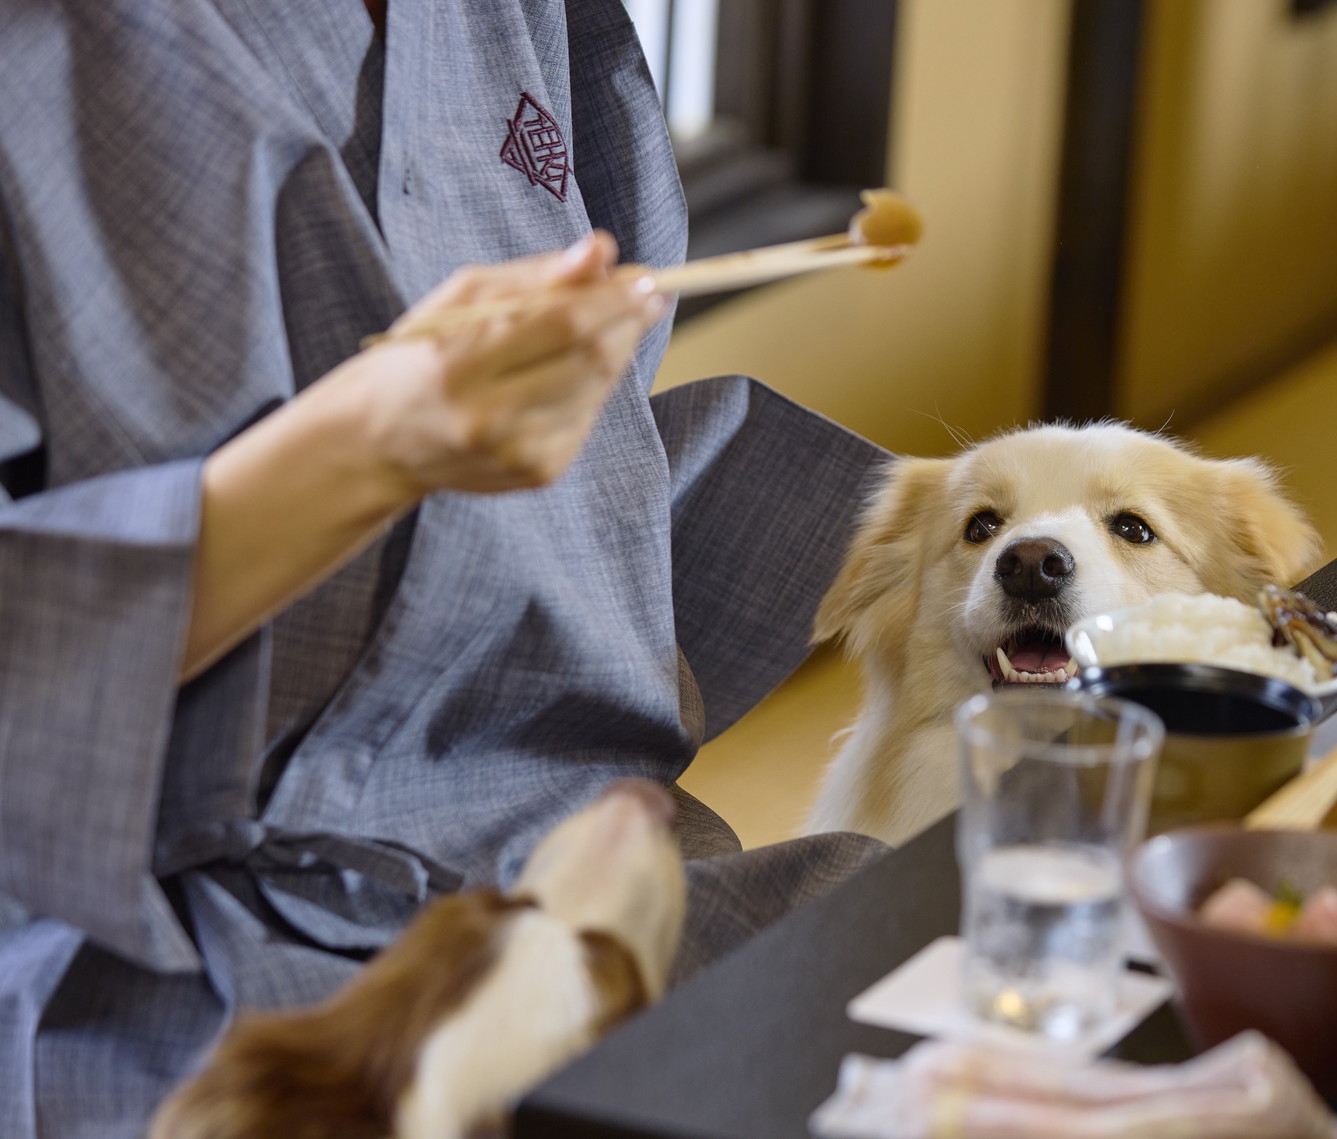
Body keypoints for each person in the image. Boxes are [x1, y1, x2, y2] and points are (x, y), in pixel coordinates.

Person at [0, 2, 888, 1132]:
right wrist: (361, 451)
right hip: (184, 991)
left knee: (1005, 1001)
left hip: (592, 863)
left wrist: (939, 534)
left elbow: (586, 478)